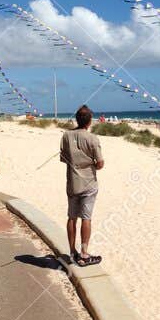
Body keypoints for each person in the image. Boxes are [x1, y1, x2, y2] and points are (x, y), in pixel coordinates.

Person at [59, 105, 105, 267]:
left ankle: (72, 252)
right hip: (88, 183)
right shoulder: (92, 138)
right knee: (86, 217)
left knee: (72, 217)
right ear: (89, 121)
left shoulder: (66, 136)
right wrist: (91, 164)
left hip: (72, 183)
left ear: (77, 119)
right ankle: (84, 253)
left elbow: (63, 158)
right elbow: (100, 163)